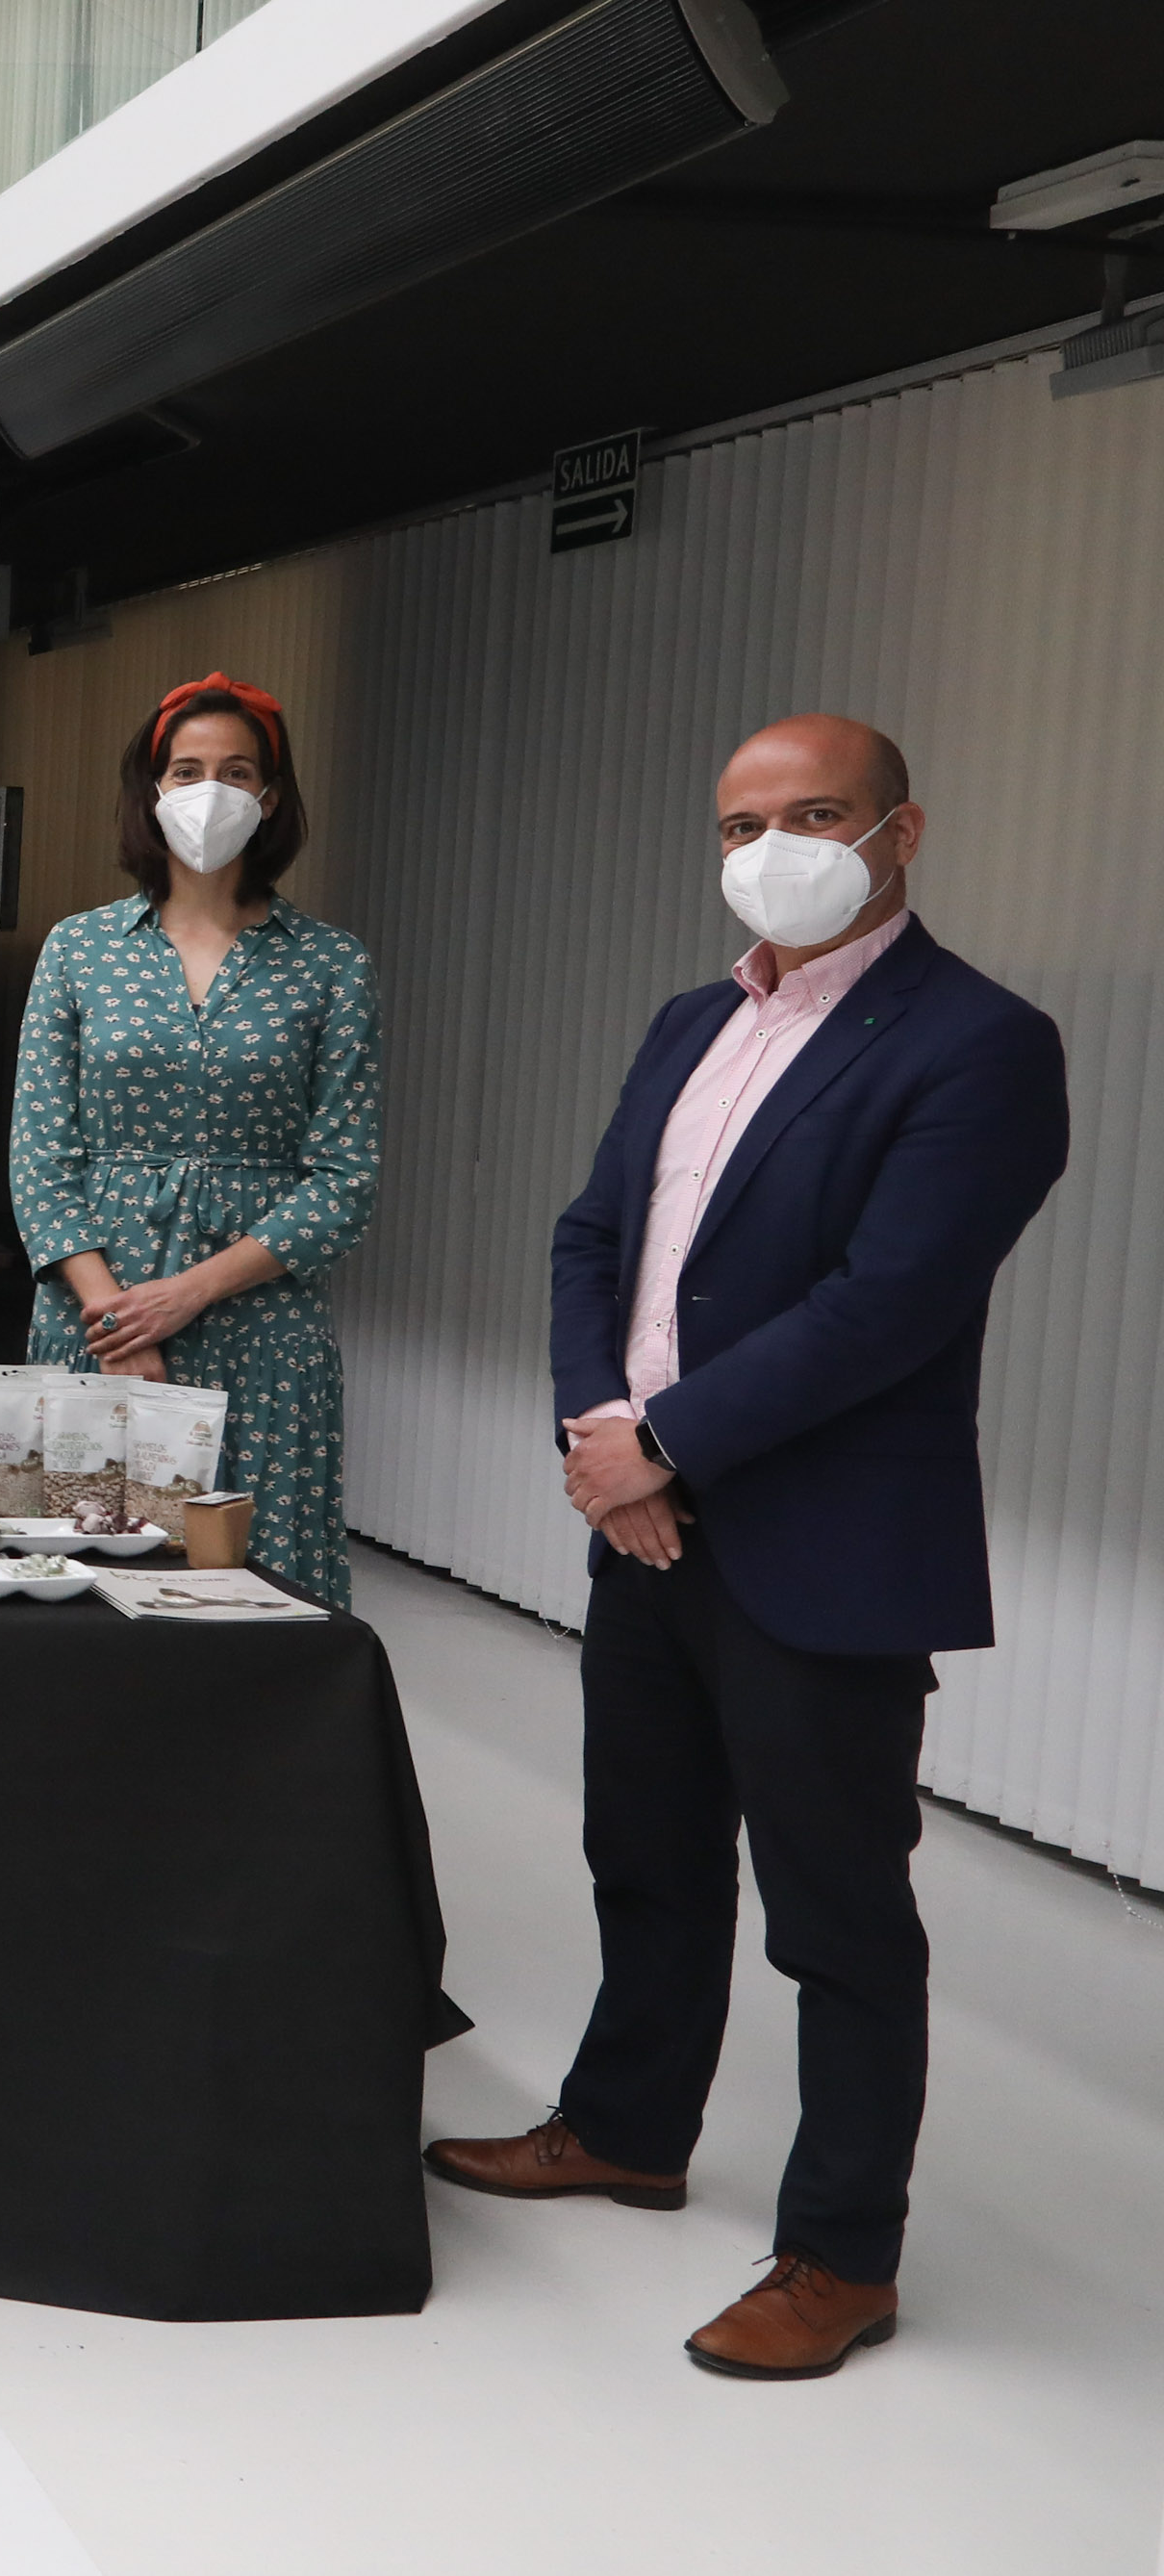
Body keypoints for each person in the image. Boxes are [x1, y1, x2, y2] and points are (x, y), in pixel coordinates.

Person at [429, 715, 1068, 2383]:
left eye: (816, 812)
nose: (773, 844)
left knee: (837, 1914)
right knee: (643, 1851)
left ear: (900, 828)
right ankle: (629, 2128)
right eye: (740, 820)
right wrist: (598, 1435)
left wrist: (669, 1440)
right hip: (641, 1522)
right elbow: (593, 1238)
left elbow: (892, 1302)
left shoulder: (980, 1043)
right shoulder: (688, 1020)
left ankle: (842, 2251)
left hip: (822, 1540)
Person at [6, 674, 381, 1609]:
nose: (208, 789)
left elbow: (343, 1181)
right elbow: (39, 1157)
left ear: (270, 796)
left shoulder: (330, 965)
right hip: (97, 1321)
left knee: (254, 1585)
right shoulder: (78, 949)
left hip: (258, 1329)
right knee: (82, 1577)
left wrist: (185, 1294)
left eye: (235, 770)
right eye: (185, 769)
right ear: (150, 790)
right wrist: (116, 1317)